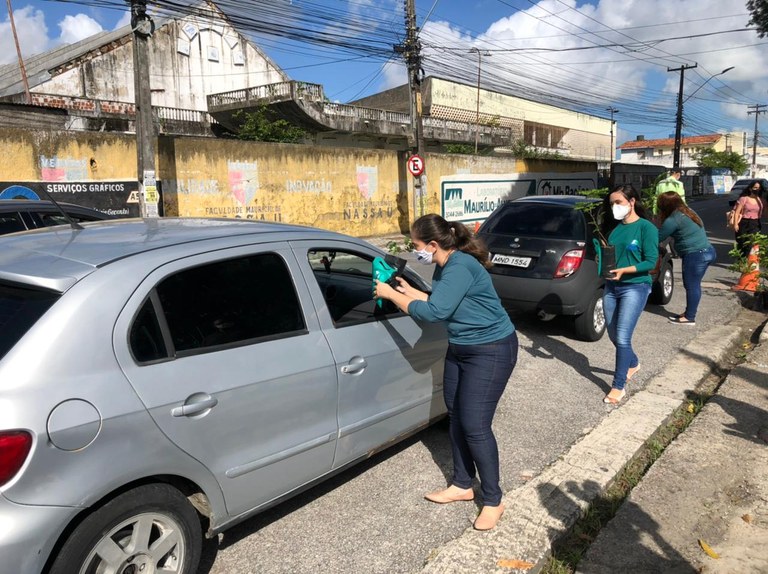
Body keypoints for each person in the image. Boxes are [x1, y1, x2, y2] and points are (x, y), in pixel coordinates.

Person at [374, 214, 517, 531]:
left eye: (417, 244)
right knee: (455, 412)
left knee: (475, 425)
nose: (415, 249)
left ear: (434, 244)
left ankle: (493, 500)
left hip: (491, 349)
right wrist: (406, 289)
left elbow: (435, 312)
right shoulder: (444, 265)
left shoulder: (460, 266)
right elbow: (438, 301)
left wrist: (391, 295)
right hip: (462, 347)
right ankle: (463, 485)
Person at [600, 184, 659, 405]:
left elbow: (651, 262)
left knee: (623, 336)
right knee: (613, 335)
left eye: (619, 202)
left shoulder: (646, 228)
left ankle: (618, 386)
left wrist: (626, 270)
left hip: (635, 286)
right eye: (612, 203)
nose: (615, 207)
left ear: (632, 201)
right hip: (612, 287)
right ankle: (633, 363)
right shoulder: (615, 230)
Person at [657, 192, 716, 326]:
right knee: (694, 285)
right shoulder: (688, 211)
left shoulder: (673, 219)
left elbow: (657, 238)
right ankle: (689, 313)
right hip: (708, 251)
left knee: (692, 286)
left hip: (696, 255)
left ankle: (690, 317)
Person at [732, 179, 764, 258]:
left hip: (755, 223)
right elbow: (737, 212)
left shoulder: (761, 200)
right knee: (742, 243)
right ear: (750, 188)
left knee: (751, 243)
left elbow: (765, 213)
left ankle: (747, 261)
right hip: (744, 223)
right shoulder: (744, 199)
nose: (757, 189)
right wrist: (736, 224)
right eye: (755, 188)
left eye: (759, 188)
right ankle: (741, 260)